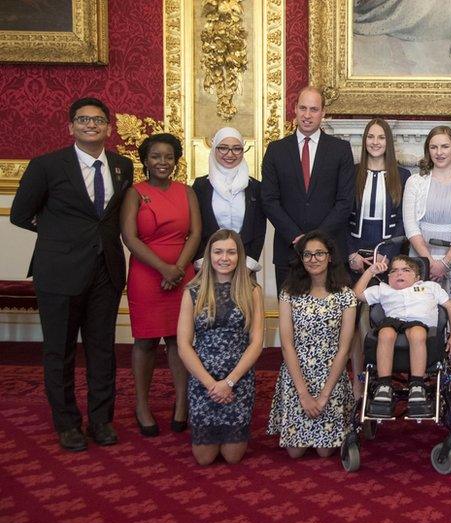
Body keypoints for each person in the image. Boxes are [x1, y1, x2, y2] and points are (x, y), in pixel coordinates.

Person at [10, 97, 134, 451]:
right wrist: (60, 237)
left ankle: (101, 420)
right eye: (83, 119)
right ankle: (66, 424)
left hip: (105, 272)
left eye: (98, 120)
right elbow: (20, 214)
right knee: (59, 351)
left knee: (102, 350)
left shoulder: (122, 166)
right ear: (71, 127)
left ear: (109, 128)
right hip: (59, 273)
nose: (91, 125)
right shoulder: (47, 165)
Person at [121, 133, 201, 438]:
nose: (162, 162)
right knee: (145, 341)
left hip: (183, 274)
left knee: (179, 341)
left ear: (176, 161)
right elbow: (130, 237)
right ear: (145, 160)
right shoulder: (134, 193)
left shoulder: (187, 192)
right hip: (146, 274)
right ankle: (142, 405)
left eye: (168, 157)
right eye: (156, 156)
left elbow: (195, 234)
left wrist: (178, 269)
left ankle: (182, 404)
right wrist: (164, 269)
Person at [177, 230, 264, 465]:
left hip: (238, 380)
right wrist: (212, 385)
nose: (224, 258)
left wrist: (229, 383)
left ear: (239, 256)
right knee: (204, 459)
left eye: (231, 252)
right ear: (209, 255)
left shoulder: (252, 291)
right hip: (203, 381)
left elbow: (256, 343)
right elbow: (184, 345)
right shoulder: (192, 291)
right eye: (218, 252)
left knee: (232, 457)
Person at [267, 231, 357, 458]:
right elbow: (287, 345)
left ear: (330, 257)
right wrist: (304, 394)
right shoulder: (289, 293)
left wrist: (324, 395)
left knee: (325, 451)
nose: (313, 259)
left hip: (331, 376)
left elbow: (344, 349)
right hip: (298, 375)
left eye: (319, 254)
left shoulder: (345, 295)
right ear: (301, 259)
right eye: (307, 255)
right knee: (295, 453)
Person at [262, 85, 355, 295]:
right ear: (294, 109)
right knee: (289, 318)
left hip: (330, 251)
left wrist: (318, 239)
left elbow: (344, 201)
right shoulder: (276, 150)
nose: (307, 115)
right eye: (302, 108)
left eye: (313, 109)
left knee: (331, 320)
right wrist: (297, 237)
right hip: (289, 250)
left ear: (323, 112)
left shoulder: (340, 150)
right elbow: (269, 200)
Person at [346, 118, 411, 400]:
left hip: (387, 258)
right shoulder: (351, 173)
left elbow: (404, 225)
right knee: (354, 321)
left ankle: (385, 378)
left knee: (382, 318)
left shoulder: (403, 176)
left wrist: (386, 257)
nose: (375, 142)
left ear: (388, 143)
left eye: (381, 138)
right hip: (355, 258)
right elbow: (341, 218)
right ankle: (360, 381)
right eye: (370, 137)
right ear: (364, 141)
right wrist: (351, 254)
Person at [353, 255, 451, 418]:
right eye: (394, 271)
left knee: (417, 333)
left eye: (405, 270)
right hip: (392, 322)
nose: (399, 274)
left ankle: (417, 385)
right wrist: (370, 271)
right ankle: (384, 385)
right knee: (385, 333)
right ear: (388, 277)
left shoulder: (430, 287)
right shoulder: (383, 289)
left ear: (417, 277)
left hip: (420, 324)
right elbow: (357, 294)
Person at [402, 125, 451, 333]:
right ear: (428, 150)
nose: (439, 152)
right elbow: (411, 225)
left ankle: (448, 364)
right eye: (433, 147)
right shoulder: (415, 182)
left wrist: (445, 262)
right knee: (419, 318)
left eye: (445, 146)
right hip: (420, 255)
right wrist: (429, 262)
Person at [192, 127, 266, 266]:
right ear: (214, 149)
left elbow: (259, 230)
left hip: (244, 264)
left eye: (237, 148)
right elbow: (195, 229)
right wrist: (203, 264)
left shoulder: (255, 187)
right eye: (223, 148)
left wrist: (248, 265)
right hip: (208, 264)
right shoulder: (201, 186)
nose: (230, 154)